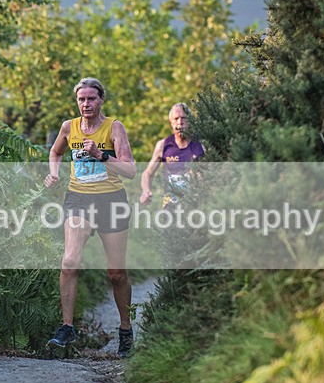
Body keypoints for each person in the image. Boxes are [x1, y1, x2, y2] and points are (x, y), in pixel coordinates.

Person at [43, 78, 137, 357]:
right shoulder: (68, 127)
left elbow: (130, 170)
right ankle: (67, 327)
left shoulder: (114, 127)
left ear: (101, 100)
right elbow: (55, 152)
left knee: (116, 274)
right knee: (70, 260)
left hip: (111, 201)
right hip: (78, 199)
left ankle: (125, 329)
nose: (86, 104)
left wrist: (100, 155)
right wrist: (55, 172)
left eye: (91, 99)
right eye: (81, 99)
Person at [139, 103, 205, 208]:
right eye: (176, 118)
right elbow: (147, 173)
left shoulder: (201, 145)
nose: (180, 122)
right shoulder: (163, 145)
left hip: (195, 202)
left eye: (184, 118)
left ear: (190, 121)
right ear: (171, 122)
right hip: (170, 203)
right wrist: (146, 191)